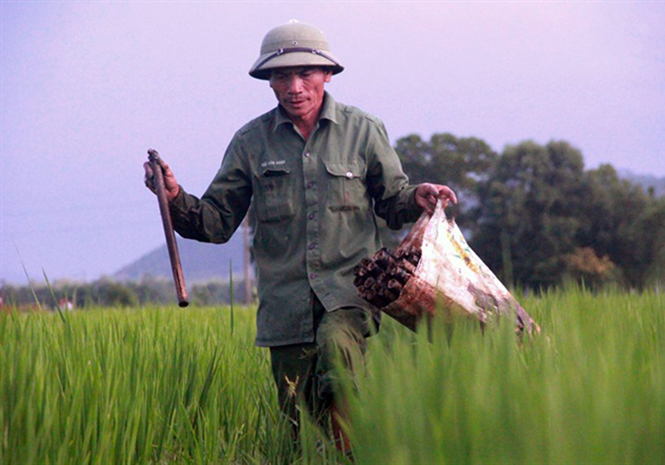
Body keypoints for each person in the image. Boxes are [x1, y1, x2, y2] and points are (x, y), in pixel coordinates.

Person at [144, 19, 457, 453]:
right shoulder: (251, 142)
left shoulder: (363, 131)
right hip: (285, 305)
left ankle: (356, 451)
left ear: (326, 74)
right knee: (296, 427)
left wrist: (418, 195)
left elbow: (392, 200)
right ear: (269, 82)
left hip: (350, 291)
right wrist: (174, 195)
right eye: (281, 75)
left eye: (305, 73)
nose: (294, 86)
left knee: (336, 352)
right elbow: (214, 222)